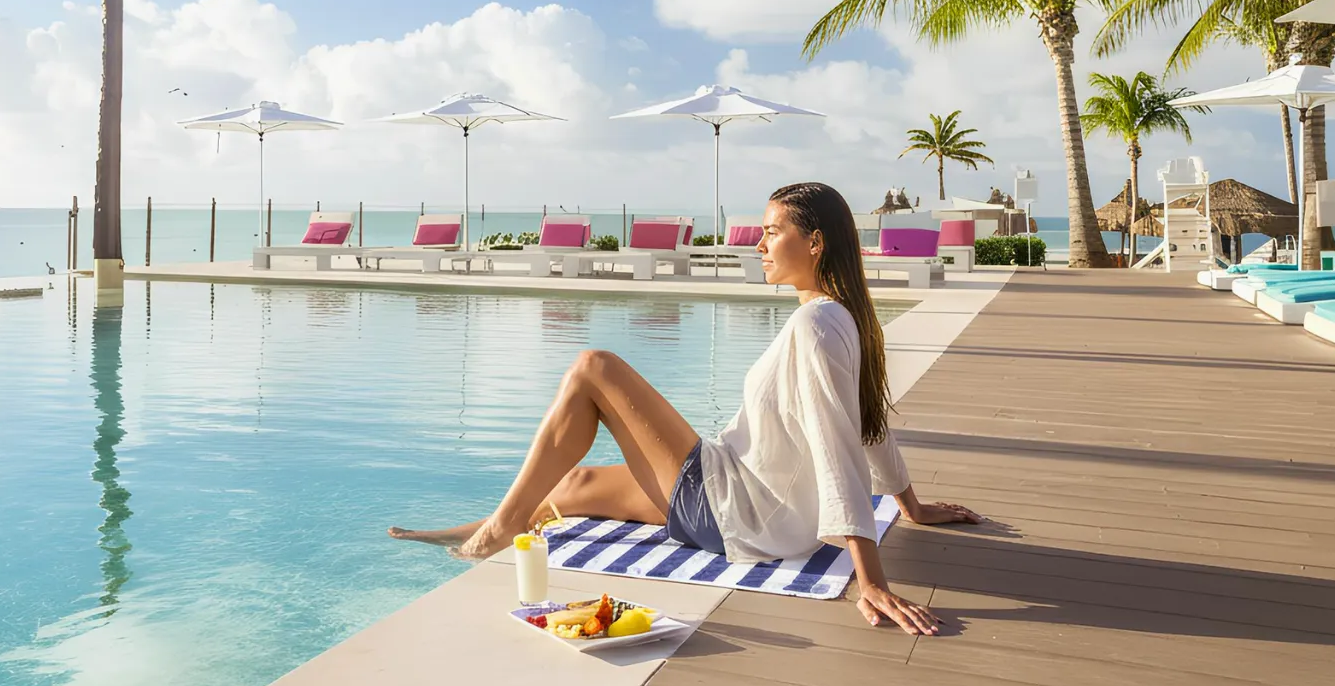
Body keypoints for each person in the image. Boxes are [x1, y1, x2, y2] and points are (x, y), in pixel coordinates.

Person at [389, 181, 980, 635]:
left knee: (594, 368)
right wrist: (913, 505)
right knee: (576, 483)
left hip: (734, 507)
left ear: (815, 242)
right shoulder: (843, 316)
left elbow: (836, 441)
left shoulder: (816, 323)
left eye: (773, 231)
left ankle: (499, 528)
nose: (759, 242)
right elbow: (868, 423)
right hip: (761, 514)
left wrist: (870, 579)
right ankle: (474, 531)